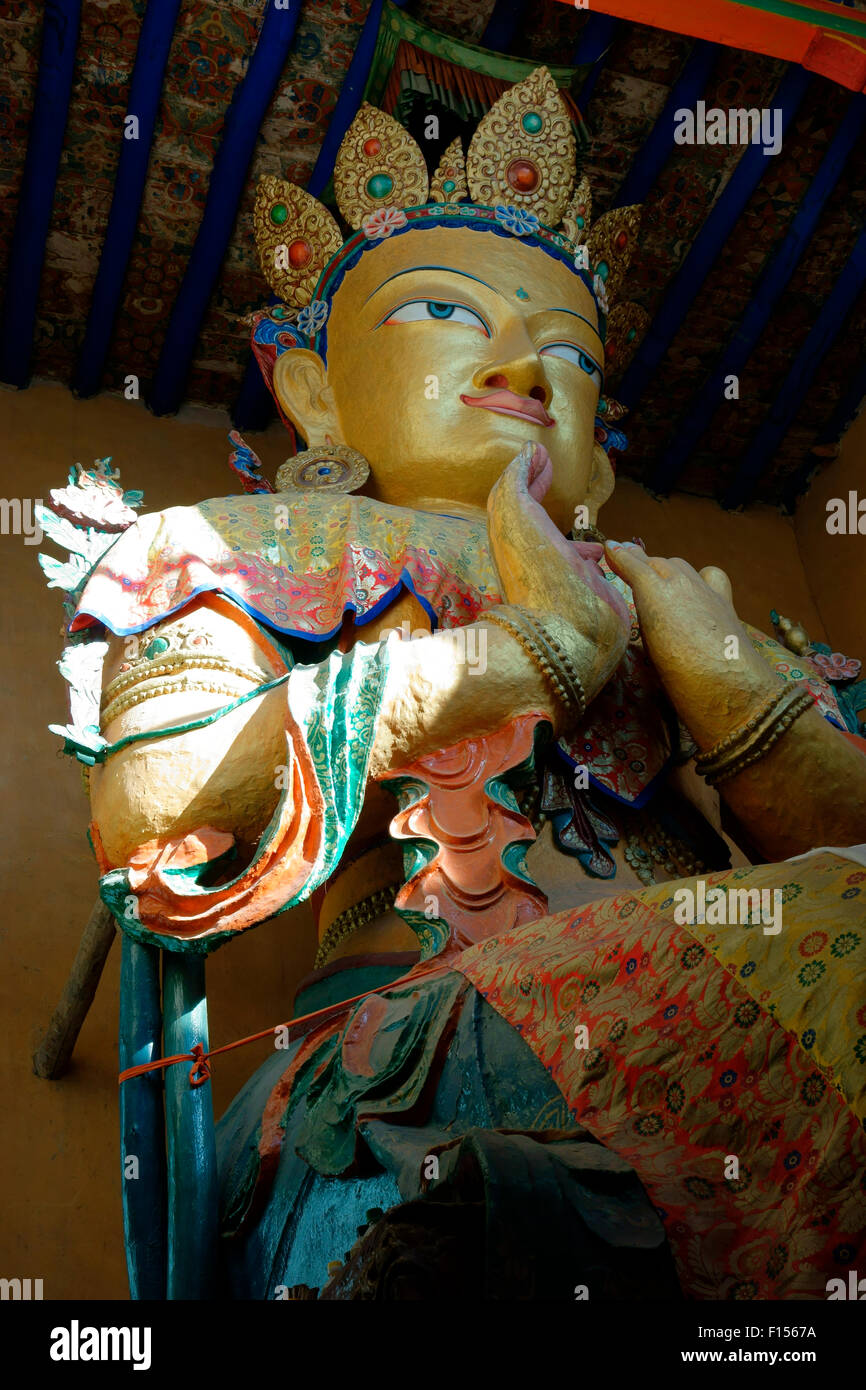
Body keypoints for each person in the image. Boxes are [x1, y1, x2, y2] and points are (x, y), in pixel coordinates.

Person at [54, 68, 866, 1299]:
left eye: (569, 354)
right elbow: (149, 806)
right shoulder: (256, 548)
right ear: (312, 386)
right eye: (443, 308)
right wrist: (522, 655)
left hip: (740, 1001)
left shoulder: (703, 606)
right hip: (434, 1020)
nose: (525, 372)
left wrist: (740, 704)